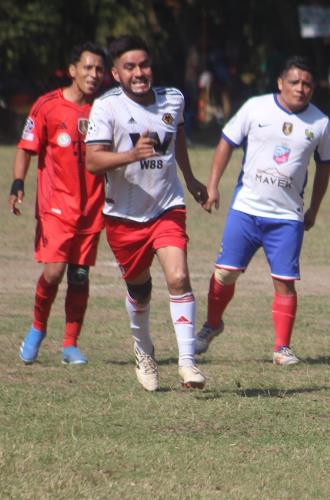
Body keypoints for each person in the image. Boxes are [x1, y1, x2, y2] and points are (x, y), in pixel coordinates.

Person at [194, 55, 330, 366]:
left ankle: (282, 348)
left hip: (287, 218)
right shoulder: (255, 107)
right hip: (246, 210)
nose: (301, 88)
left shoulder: (321, 123)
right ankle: (211, 324)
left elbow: (325, 167)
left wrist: (314, 207)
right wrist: (213, 185)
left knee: (284, 281)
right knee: (225, 273)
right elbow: (226, 142)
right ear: (281, 83)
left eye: (307, 84)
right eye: (295, 82)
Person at [85, 35, 209, 390]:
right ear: (116, 73)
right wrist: (130, 155)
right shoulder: (106, 107)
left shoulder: (173, 98)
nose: (139, 72)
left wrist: (190, 178)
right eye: (130, 67)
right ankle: (144, 351)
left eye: (144, 64)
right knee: (140, 291)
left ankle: (187, 363)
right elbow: (93, 161)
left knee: (178, 278)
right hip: (124, 217)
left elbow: (178, 137)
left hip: (167, 206)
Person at [11, 42, 106, 366]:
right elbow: (25, 147)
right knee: (53, 272)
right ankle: (38, 328)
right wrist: (18, 183)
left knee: (79, 276)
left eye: (99, 69)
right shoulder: (47, 106)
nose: (94, 75)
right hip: (55, 206)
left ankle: (70, 345)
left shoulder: (103, 110)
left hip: (92, 207)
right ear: (72, 70)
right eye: (88, 67)